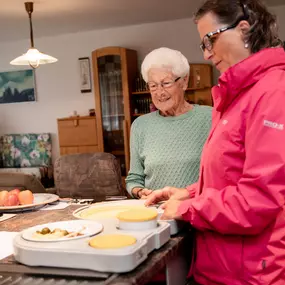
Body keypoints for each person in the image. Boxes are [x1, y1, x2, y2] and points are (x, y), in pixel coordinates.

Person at [145, 1, 285, 285]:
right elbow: (231, 175)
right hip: (222, 265)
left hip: (248, 274)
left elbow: (258, 201)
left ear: (244, 30)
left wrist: (188, 209)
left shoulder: (273, 93)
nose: (208, 53)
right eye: (202, 45)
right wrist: (189, 192)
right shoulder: (236, 95)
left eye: (210, 39)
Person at [125, 47, 212, 199]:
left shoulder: (210, 117)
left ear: (184, 82)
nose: (159, 92)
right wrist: (139, 191)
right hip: (156, 214)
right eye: (153, 85)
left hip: (197, 212)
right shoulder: (140, 126)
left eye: (166, 83)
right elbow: (134, 179)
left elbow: (222, 174)